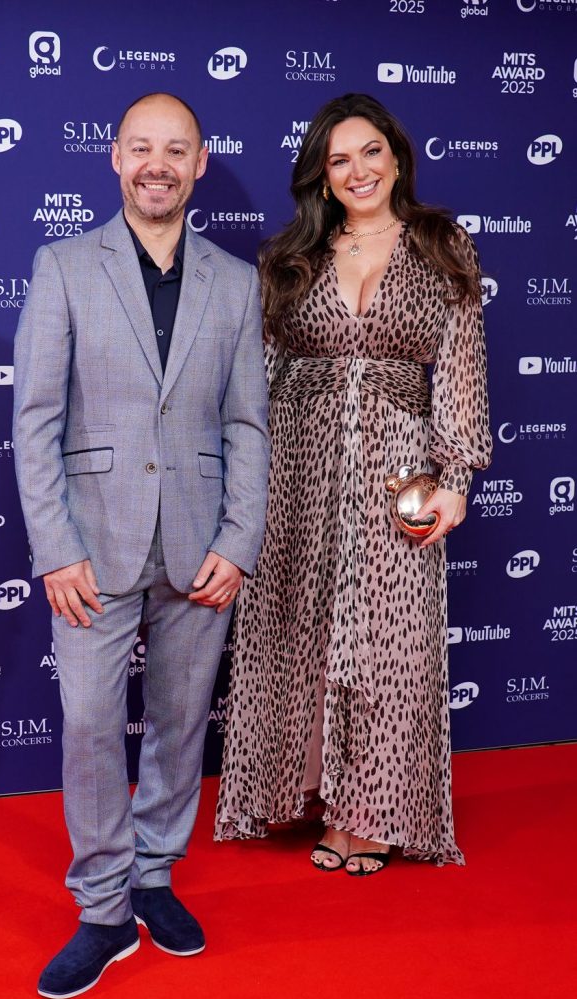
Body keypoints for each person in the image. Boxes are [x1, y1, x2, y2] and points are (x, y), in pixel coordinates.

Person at [13, 92, 269, 999]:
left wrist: (240, 540)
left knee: (179, 723)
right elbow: (36, 420)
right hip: (93, 546)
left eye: (176, 149)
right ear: (115, 158)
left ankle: (155, 874)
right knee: (88, 727)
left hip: (202, 547)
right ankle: (103, 908)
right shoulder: (64, 267)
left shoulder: (236, 282)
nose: (157, 163)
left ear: (201, 163)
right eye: (140, 147)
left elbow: (248, 424)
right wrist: (55, 549)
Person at [215, 93, 492, 875]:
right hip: (296, 469)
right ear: (322, 176)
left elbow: (462, 365)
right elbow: (258, 382)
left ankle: (371, 813)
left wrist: (456, 477)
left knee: (387, 641)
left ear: (396, 157)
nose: (358, 170)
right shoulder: (289, 258)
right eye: (340, 159)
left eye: (371, 152)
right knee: (295, 628)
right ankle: (300, 797)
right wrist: (246, 489)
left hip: (399, 469)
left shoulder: (442, 244)